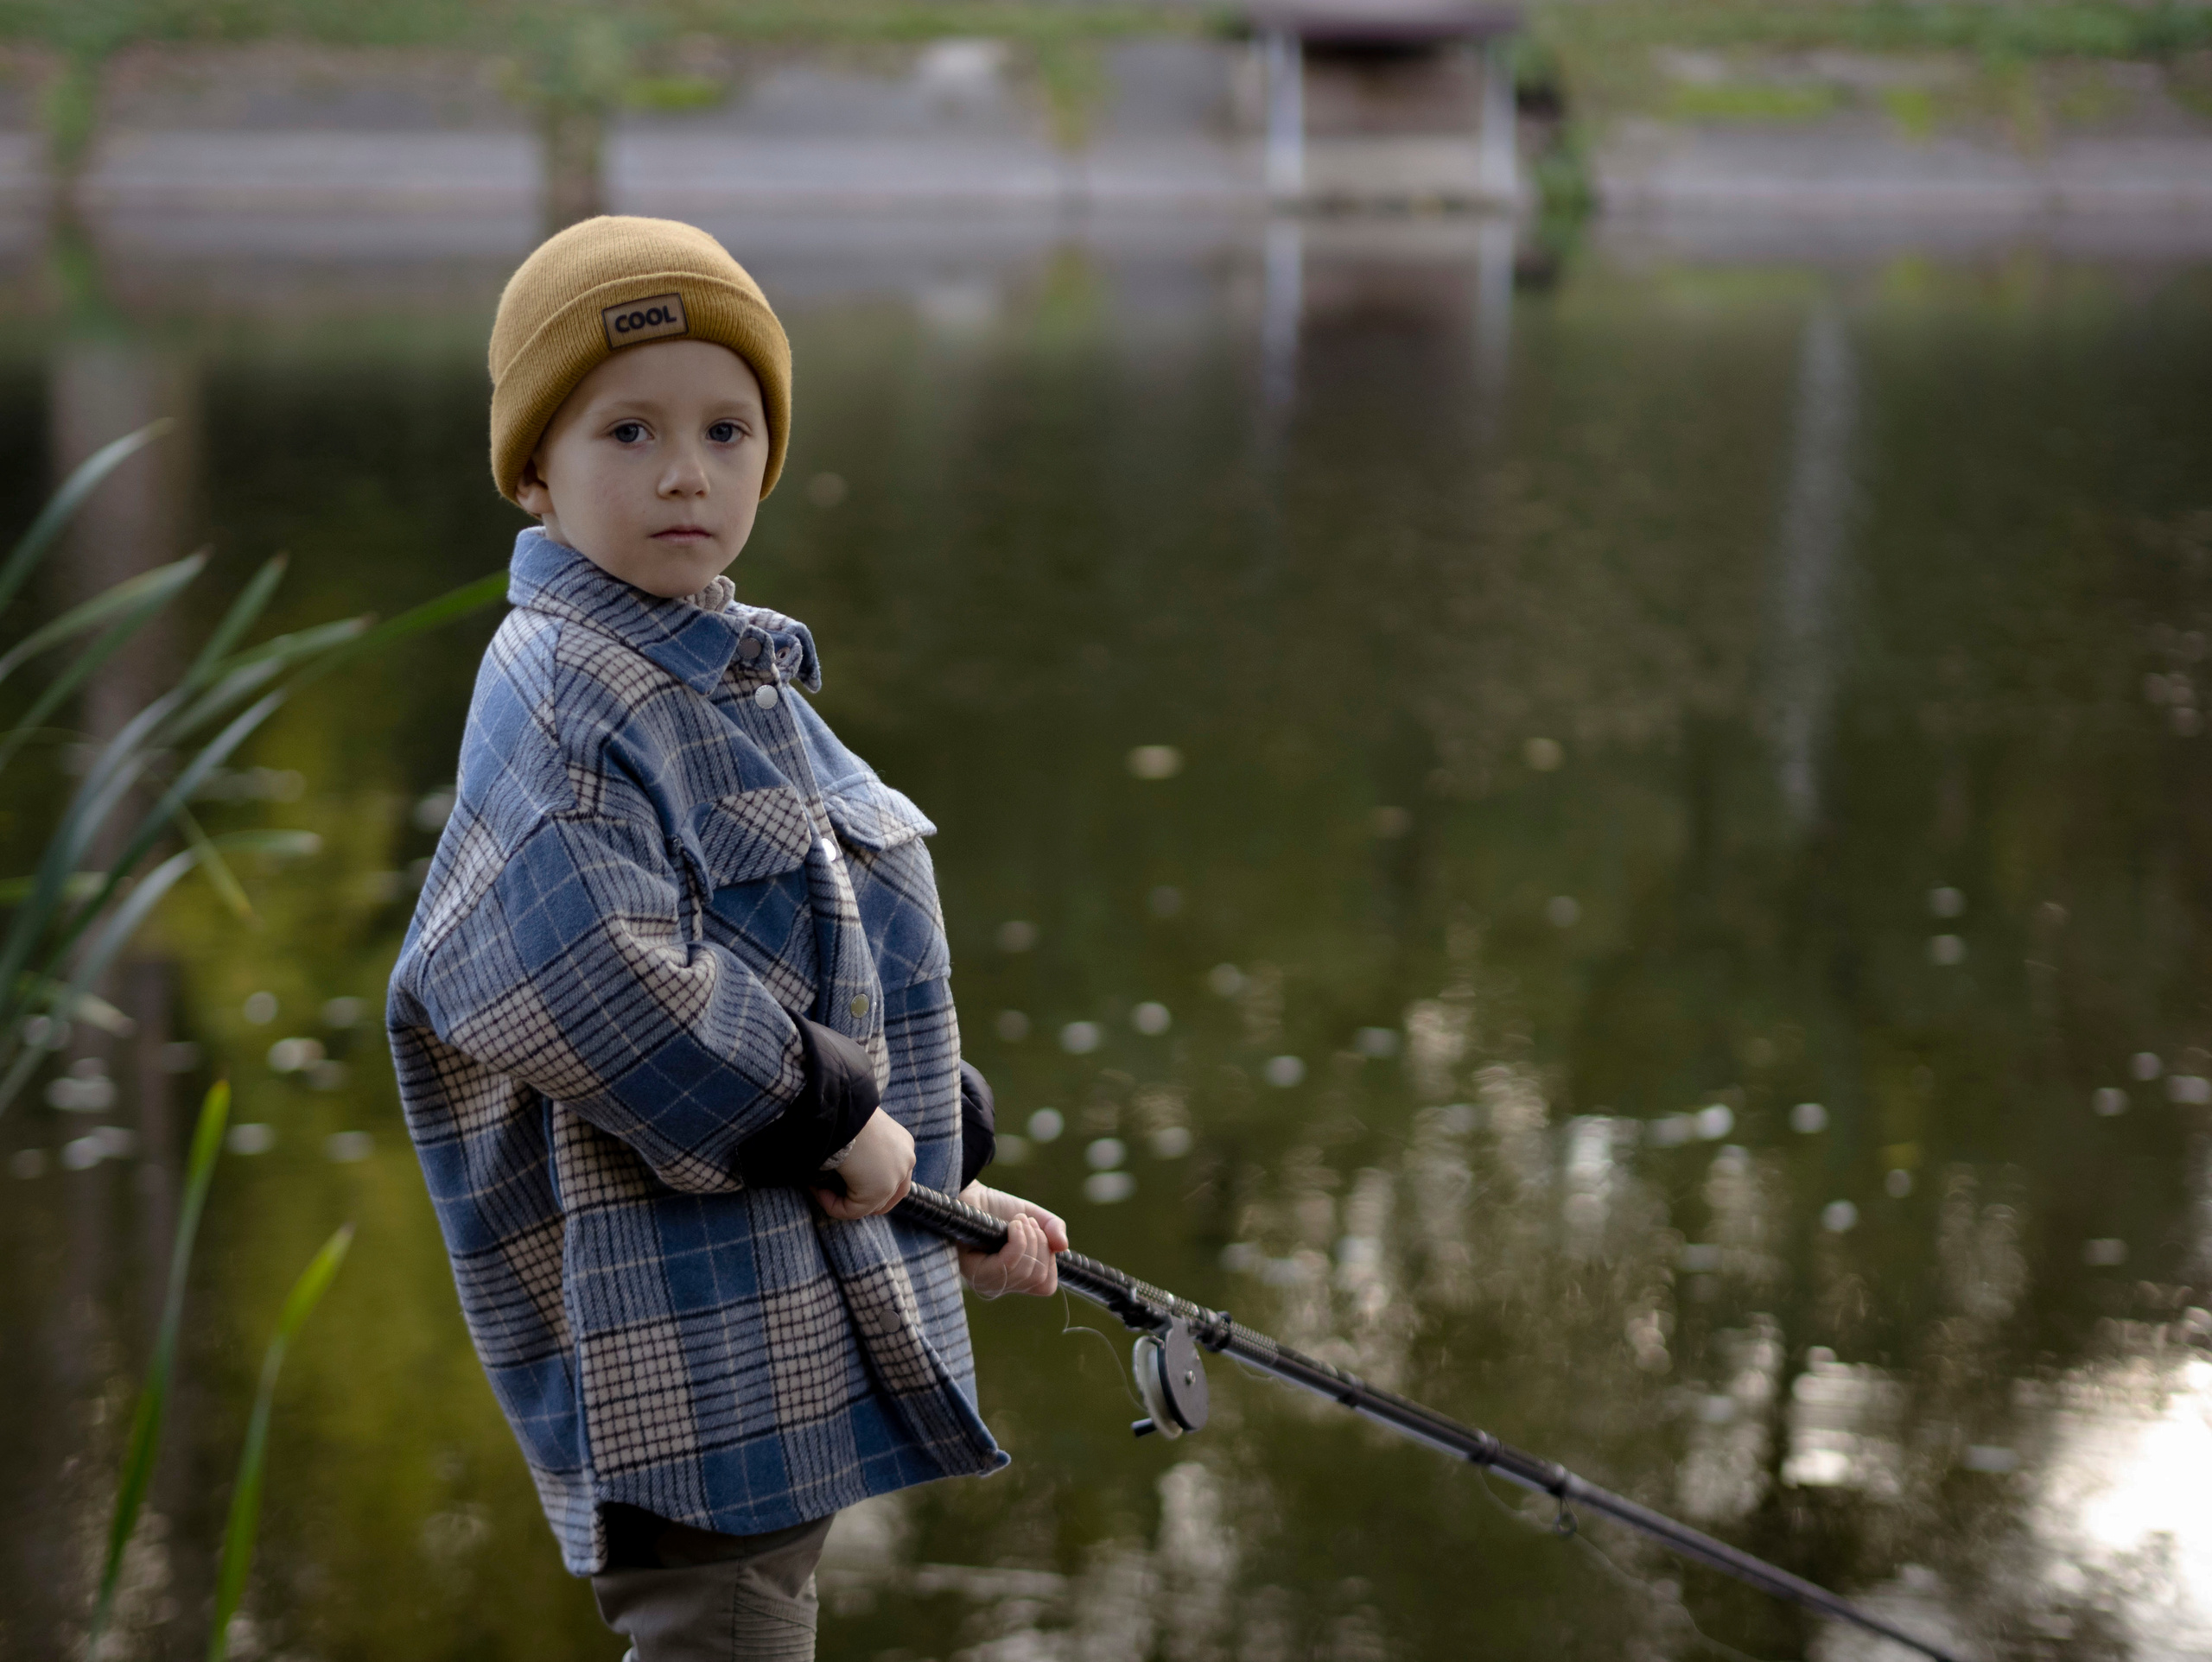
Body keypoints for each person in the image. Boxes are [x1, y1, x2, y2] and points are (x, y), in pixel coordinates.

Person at [386, 214, 1068, 1661]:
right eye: (627, 432)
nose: (687, 471)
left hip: (773, 1313)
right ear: (533, 470)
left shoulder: (718, 661)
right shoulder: (566, 688)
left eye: (727, 428)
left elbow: (809, 948)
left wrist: (941, 1161)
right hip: (682, 1349)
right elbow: (586, 977)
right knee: (727, 1626)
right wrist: (832, 1114)